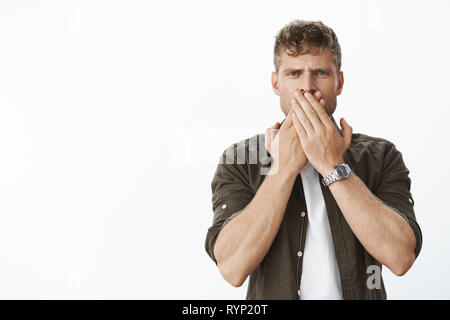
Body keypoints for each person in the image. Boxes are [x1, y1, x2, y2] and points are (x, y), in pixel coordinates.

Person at [204, 19, 422, 300]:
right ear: (275, 83)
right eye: (294, 74)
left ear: (339, 82)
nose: (307, 87)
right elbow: (232, 268)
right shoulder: (240, 161)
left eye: (320, 73)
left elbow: (400, 257)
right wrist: (281, 171)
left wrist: (332, 165)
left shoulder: (381, 156)